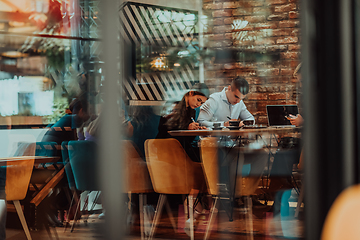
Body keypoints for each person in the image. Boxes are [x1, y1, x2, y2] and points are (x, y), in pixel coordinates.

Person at [156, 83, 209, 162]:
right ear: (191, 93)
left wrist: (195, 129)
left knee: (208, 155)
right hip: (167, 147)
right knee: (205, 157)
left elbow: (187, 139)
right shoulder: (175, 105)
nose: (198, 104)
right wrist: (187, 128)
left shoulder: (191, 111)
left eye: (201, 103)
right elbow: (166, 128)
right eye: (198, 100)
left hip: (181, 147)